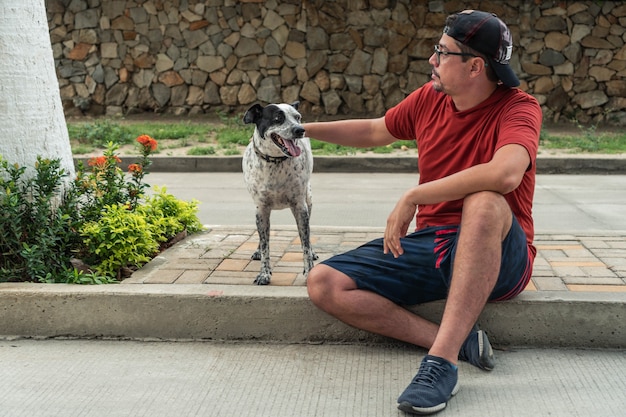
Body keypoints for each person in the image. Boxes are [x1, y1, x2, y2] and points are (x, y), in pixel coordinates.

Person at [303, 10, 542, 415]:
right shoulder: (430, 98)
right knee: (324, 282)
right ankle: (459, 340)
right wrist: (299, 129)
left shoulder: (518, 108)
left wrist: (414, 195)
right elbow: (376, 130)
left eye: (442, 52)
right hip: (435, 246)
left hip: (500, 255)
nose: (431, 60)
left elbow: (504, 174)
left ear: (475, 66)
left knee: (483, 202)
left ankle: (441, 364)